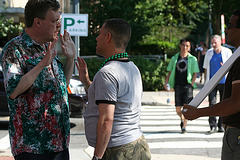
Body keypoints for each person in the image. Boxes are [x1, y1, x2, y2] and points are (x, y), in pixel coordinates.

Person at [0, 0, 76, 159]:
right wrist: (42, 64)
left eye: (59, 20)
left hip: (59, 143)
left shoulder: (47, 47)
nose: (59, 25)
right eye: (55, 21)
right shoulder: (15, 49)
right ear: (38, 22)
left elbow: (62, 87)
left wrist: (70, 59)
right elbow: (13, 90)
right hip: (32, 148)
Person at [76, 18, 151, 160]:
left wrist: (97, 157)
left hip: (119, 151)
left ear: (108, 37)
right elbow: (113, 99)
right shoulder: (132, 68)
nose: (97, 38)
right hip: (136, 144)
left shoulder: (108, 73)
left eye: (100, 34)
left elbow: (106, 120)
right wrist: (86, 81)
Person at [183, 9, 240, 160]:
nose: (226, 30)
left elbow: (235, 103)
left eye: (230, 26)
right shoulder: (235, 54)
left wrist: (198, 112)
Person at [164, 38, 199, 133]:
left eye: (187, 46)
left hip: (188, 86)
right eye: (183, 45)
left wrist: (191, 84)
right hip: (177, 85)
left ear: (189, 47)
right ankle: (182, 118)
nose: (185, 47)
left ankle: (184, 127)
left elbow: (196, 73)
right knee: (178, 109)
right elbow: (169, 71)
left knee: (186, 108)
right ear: (180, 46)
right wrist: (166, 82)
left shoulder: (192, 59)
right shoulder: (175, 58)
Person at [203, 35, 232, 134]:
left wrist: (226, 67)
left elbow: (232, 66)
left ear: (220, 42)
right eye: (212, 43)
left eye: (215, 42)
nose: (214, 44)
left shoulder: (227, 52)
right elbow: (206, 68)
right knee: (212, 103)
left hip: (224, 82)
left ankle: (221, 125)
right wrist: (205, 82)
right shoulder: (209, 52)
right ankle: (212, 126)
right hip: (212, 83)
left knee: (223, 104)